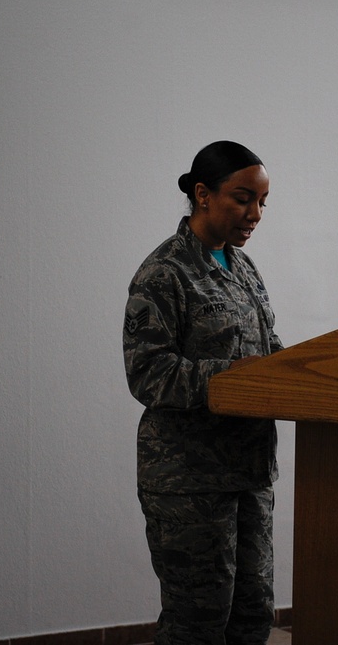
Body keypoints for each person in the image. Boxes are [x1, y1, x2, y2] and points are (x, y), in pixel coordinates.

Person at [122, 140, 283, 645]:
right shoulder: (164, 272)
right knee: (197, 623)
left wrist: (305, 370)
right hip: (189, 479)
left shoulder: (243, 267)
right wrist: (234, 375)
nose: (255, 214)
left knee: (253, 615)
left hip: (249, 470)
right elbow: (148, 372)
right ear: (203, 194)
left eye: (263, 202)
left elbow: (268, 348)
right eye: (243, 199)